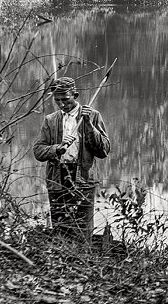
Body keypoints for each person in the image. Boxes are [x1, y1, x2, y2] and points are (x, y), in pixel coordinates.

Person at [33, 77, 112, 238]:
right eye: (57, 100)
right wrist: (56, 148)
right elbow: (38, 151)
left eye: (66, 99)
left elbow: (103, 151)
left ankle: (85, 260)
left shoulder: (93, 116)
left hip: (83, 179)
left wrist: (89, 125)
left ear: (75, 95)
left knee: (83, 230)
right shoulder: (50, 120)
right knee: (61, 228)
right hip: (57, 178)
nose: (62, 104)